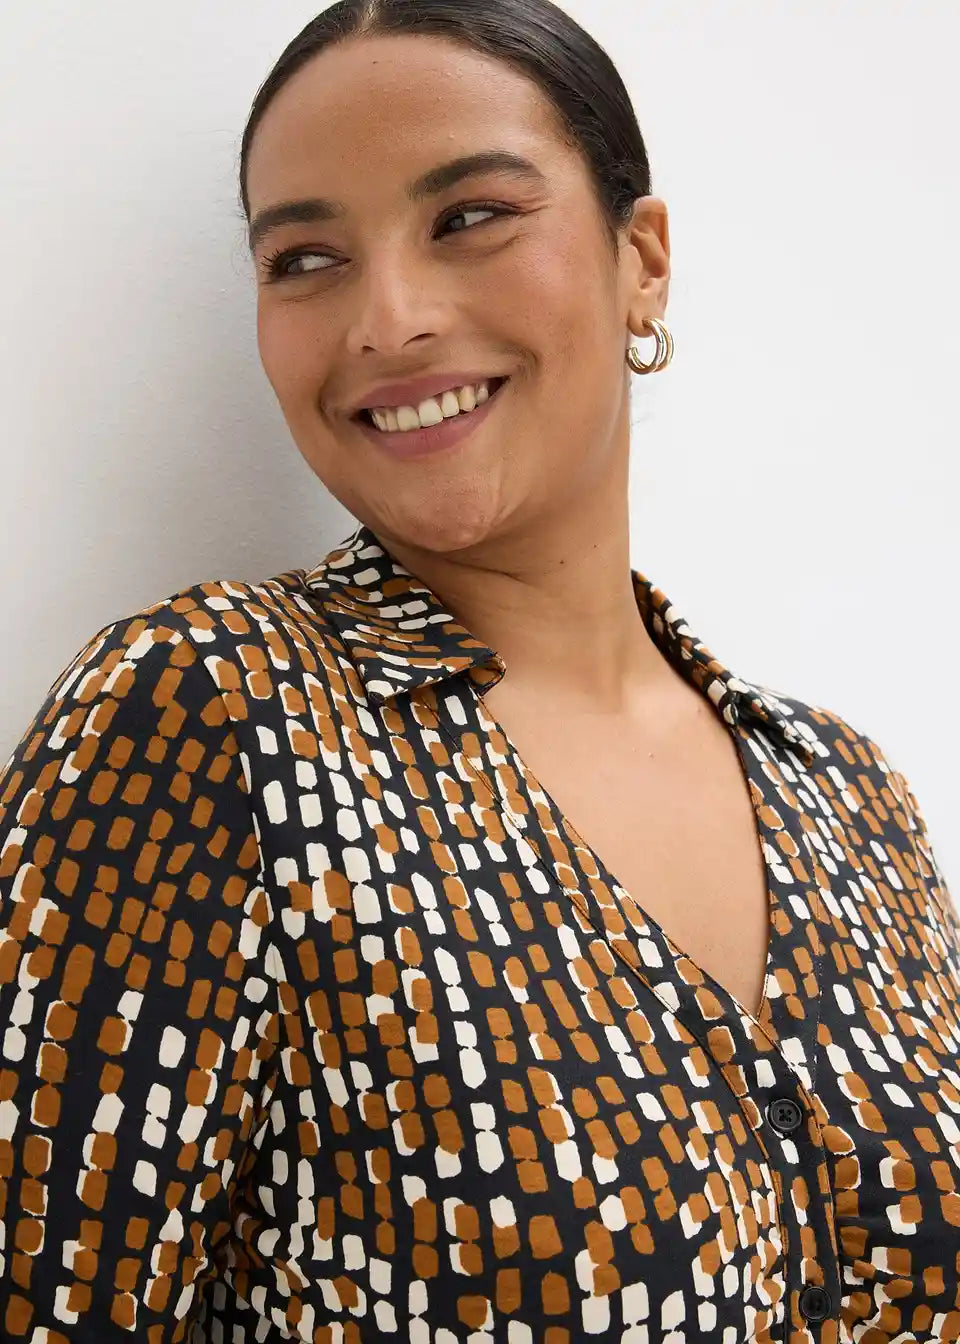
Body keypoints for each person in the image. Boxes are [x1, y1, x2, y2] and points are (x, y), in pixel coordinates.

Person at [0, 1, 955, 1340]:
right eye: (306, 259)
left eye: (470, 218)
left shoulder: (850, 801)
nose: (388, 320)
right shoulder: (213, 717)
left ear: (642, 261)